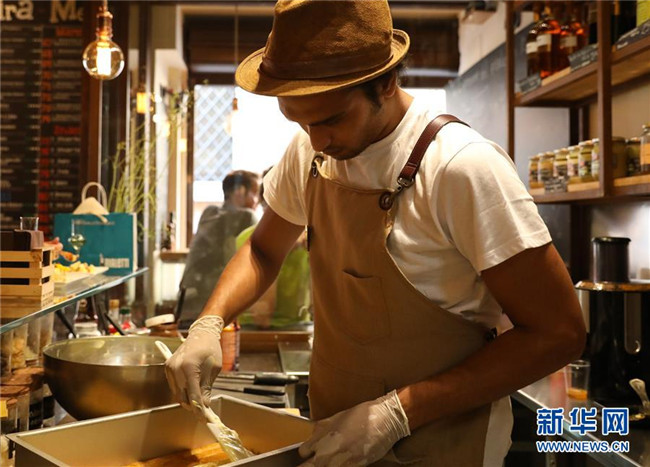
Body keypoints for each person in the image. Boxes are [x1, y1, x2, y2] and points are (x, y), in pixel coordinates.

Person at [165, 2, 586, 466]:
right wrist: (209, 322)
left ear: (385, 82)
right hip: (332, 439)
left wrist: (396, 414)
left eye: (331, 119)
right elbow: (264, 250)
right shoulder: (309, 152)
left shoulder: (462, 168)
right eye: (299, 121)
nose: (317, 140)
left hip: (444, 450)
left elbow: (559, 333)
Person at [176, 170, 261, 329]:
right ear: (239, 191)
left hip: (186, 306)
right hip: (217, 309)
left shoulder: (208, 213)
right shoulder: (247, 217)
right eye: (255, 193)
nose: (257, 201)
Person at [235, 168, 311, 329]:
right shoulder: (248, 239)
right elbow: (261, 316)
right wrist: (280, 247)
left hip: (299, 326)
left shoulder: (309, 239)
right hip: (252, 328)